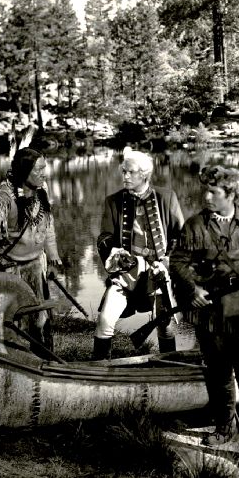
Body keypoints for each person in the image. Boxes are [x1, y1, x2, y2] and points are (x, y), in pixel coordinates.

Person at [169, 165, 239, 470]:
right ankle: (225, 428)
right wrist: (191, 289)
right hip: (209, 314)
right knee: (218, 374)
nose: (206, 196)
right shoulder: (194, 225)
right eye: (204, 190)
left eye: (213, 192)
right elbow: (177, 262)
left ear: (230, 194)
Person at [94, 148, 185, 360]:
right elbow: (104, 237)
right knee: (105, 320)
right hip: (126, 271)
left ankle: (168, 370)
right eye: (123, 171)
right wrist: (114, 253)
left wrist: (166, 261)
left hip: (160, 271)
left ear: (144, 174)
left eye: (130, 172)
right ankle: (97, 369)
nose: (124, 176)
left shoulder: (166, 197)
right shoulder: (113, 201)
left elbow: (181, 237)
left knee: (166, 326)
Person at [0, 147, 63, 357]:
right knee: (9, 319)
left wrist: (53, 258)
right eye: (39, 169)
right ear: (24, 171)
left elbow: (47, 227)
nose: (44, 173)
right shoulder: (3, 194)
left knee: (39, 320)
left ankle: (42, 362)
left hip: (34, 265)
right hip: (8, 268)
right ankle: (6, 360)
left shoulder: (40, 192)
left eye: (45, 168)